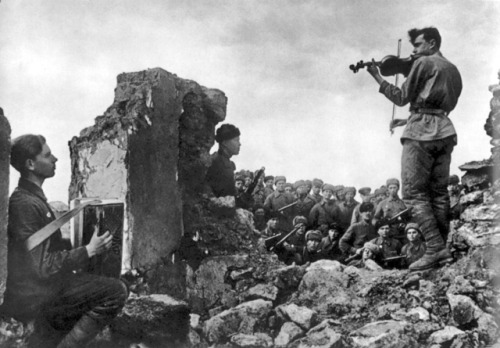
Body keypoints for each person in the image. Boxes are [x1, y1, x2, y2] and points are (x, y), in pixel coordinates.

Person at [1, 134, 128, 347]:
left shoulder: (32, 199)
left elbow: (41, 249)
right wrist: (87, 251)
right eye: (48, 155)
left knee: (104, 280)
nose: (55, 159)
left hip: (40, 289)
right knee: (116, 291)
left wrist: (80, 244)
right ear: (30, 164)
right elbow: (43, 266)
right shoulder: (25, 204)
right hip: (35, 297)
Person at [366, 27, 462, 270]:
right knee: (439, 193)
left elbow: (401, 98)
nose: (414, 52)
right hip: (446, 131)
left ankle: (434, 248)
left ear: (431, 43)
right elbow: (437, 105)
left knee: (413, 193)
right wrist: (405, 120)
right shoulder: (453, 69)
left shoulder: (423, 63)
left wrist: (377, 76)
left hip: (421, 135)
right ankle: (444, 251)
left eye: (418, 46)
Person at [205, 124, 241, 198]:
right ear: (225, 143)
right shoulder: (215, 162)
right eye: (236, 140)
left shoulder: (227, 163)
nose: (240, 144)